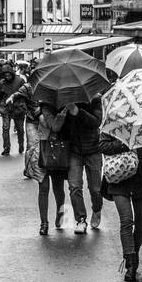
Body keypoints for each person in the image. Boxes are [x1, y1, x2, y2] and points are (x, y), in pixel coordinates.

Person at [101, 142, 142, 282]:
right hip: (119, 177)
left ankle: (134, 251)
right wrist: (126, 144)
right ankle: (130, 261)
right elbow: (103, 145)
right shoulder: (114, 121)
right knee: (126, 220)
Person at [50, 97, 104, 234]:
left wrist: (78, 111)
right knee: (74, 186)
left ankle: (97, 209)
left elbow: (96, 122)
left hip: (93, 149)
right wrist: (62, 115)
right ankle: (81, 220)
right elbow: (58, 129)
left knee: (95, 188)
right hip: (73, 150)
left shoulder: (95, 99)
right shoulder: (64, 101)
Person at [25, 98, 66, 233]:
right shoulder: (43, 111)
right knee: (44, 187)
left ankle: (59, 215)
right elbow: (53, 126)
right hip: (44, 150)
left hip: (58, 150)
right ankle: (44, 223)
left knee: (58, 187)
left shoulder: (63, 104)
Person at [0, 61, 29, 156]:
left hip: (18, 108)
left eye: (9, 75)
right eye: (5, 75)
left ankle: (21, 145)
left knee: (20, 128)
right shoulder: (2, 83)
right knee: (5, 128)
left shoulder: (20, 81)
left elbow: (25, 94)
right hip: (6, 108)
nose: (7, 77)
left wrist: (25, 106)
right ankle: (6, 148)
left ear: (12, 73)